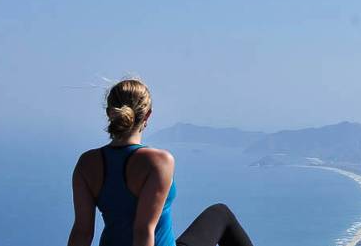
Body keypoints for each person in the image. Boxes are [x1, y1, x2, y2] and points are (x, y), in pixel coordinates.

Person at [67, 79, 254, 246]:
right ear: (147, 115)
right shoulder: (158, 162)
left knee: (220, 213)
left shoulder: (86, 163)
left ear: (110, 113)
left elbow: (82, 232)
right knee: (221, 213)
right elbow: (143, 231)